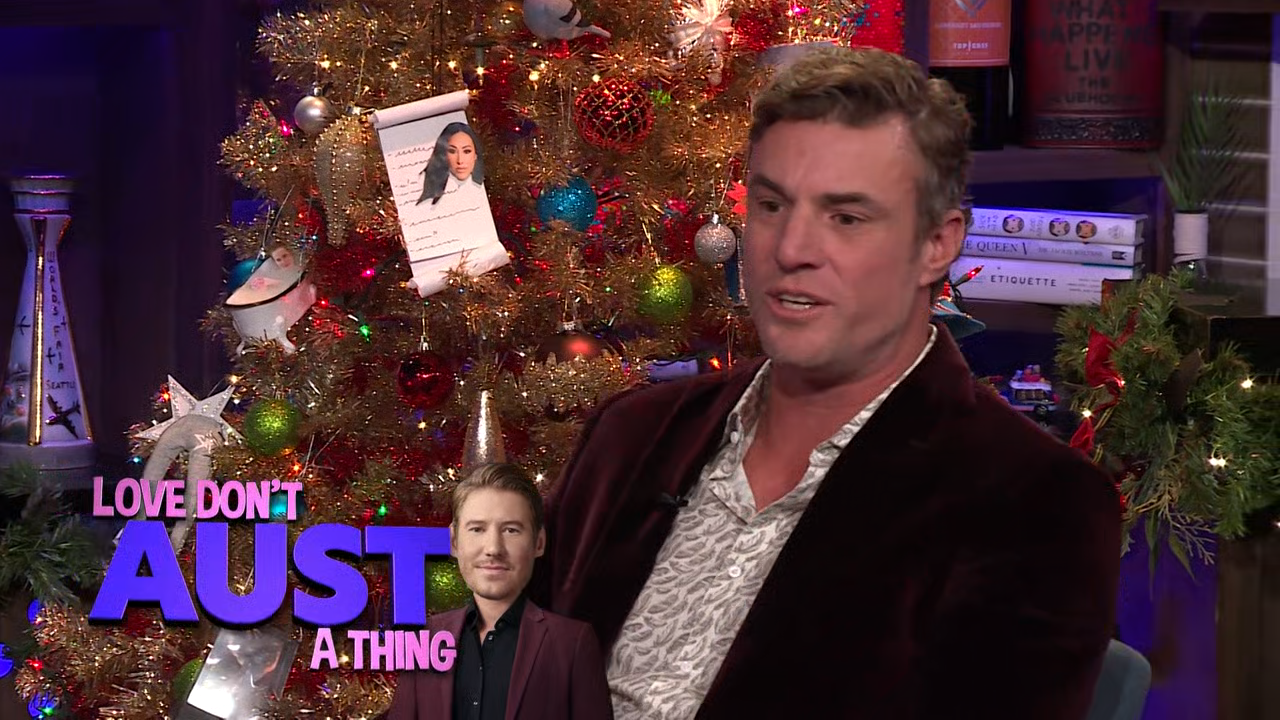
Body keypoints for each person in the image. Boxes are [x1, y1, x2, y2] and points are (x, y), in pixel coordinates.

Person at [533, 46, 1122, 719]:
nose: (791, 250)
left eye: (845, 217)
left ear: (937, 243)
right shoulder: (630, 436)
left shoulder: (1035, 503)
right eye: (772, 205)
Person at [386, 463, 613, 720]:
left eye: (511, 530)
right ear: (454, 541)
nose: (493, 548)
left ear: (539, 542)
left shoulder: (572, 644)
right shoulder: (424, 640)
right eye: (477, 529)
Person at [416, 121, 488, 215]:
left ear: (475, 154)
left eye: (467, 151)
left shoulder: (485, 196)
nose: (460, 160)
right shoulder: (427, 204)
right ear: (444, 155)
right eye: (452, 151)